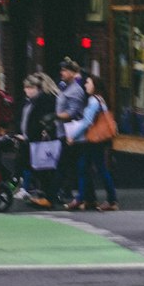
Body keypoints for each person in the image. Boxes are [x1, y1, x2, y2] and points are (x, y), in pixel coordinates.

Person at [64, 73, 119, 210]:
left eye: (88, 83)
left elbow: (86, 122)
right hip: (97, 139)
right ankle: (84, 199)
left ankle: (111, 200)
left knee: (96, 169)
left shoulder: (94, 101)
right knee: (85, 167)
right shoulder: (100, 99)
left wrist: (73, 136)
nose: (86, 85)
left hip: (94, 140)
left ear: (95, 85)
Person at [21, 72, 61, 207]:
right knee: (44, 167)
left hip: (41, 138)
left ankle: (49, 196)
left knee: (44, 167)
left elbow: (38, 119)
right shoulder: (45, 98)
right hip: (40, 137)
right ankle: (49, 195)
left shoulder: (44, 99)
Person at [54, 57, 87, 204]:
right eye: (61, 70)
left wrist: (55, 116)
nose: (62, 73)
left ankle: (64, 191)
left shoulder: (75, 90)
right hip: (64, 132)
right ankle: (67, 191)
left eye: (65, 70)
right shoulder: (64, 87)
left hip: (71, 133)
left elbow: (72, 112)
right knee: (67, 164)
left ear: (74, 73)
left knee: (66, 163)